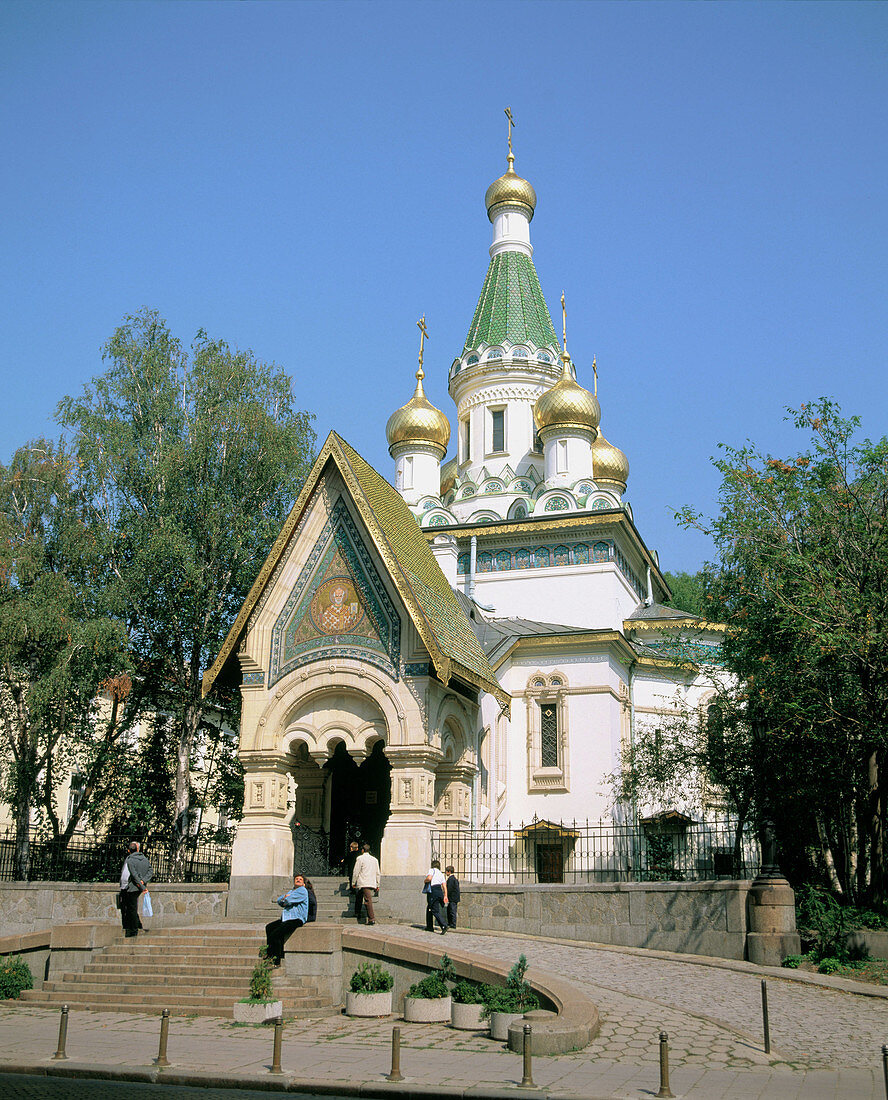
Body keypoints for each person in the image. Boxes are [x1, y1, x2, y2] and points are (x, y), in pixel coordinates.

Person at [265, 873, 309, 966]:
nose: (298, 880)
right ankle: (269, 954)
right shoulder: (292, 891)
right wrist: (285, 899)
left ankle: (276, 960)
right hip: (287, 918)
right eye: (296, 879)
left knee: (276, 934)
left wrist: (285, 899)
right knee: (269, 927)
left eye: (300, 879)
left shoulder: (302, 891)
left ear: (303, 883)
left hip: (296, 919)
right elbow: (279, 900)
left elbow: (287, 900)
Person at [119, 841, 153, 938]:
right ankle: (137, 925)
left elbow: (134, 875)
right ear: (137, 849)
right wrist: (143, 881)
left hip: (131, 886)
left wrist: (142, 885)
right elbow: (150, 871)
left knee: (131, 909)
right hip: (135, 885)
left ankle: (133, 930)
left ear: (129, 850)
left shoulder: (130, 860)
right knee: (131, 907)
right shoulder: (145, 859)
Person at [351, 843, 380, 925]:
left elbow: (356, 871)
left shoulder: (360, 858)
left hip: (364, 882)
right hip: (371, 882)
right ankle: (357, 912)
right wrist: (378, 884)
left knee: (367, 900)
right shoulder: (374, 860)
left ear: (362, 850)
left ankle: (371, 918)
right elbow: (378, 873)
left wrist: (353, 882)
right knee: (359, 896)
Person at [424, 859, 448, 934]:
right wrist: (445, 896)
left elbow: (429, 878)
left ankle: (443, 925)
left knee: (434, 910)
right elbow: (444, 886)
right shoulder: (441, 874)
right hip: (439, 891)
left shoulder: (432, 870)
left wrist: (425, 880)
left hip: (433, 891)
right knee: (429, 908)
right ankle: (429, 926)